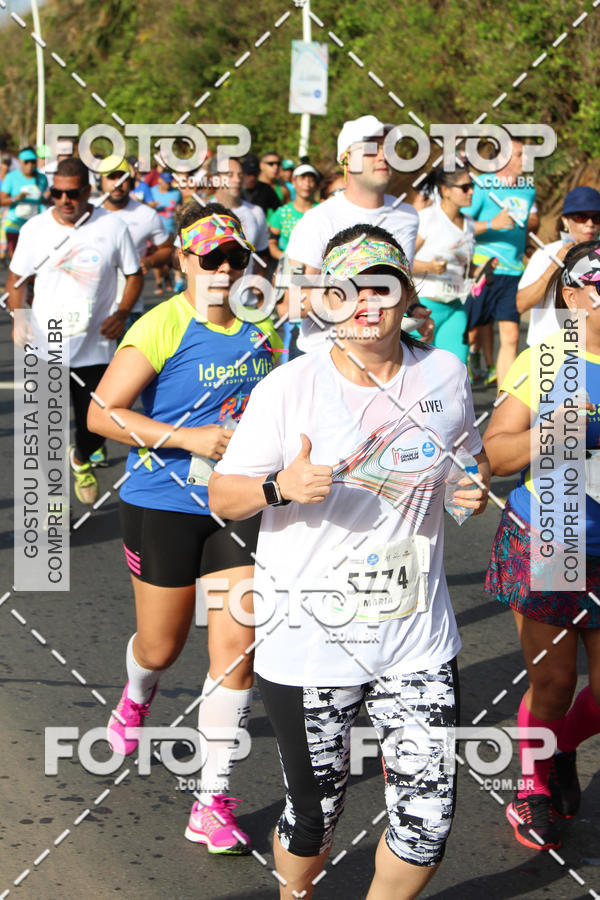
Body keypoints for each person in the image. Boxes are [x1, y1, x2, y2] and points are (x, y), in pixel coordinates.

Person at [209, 224, 490, 899]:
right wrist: (281, 487)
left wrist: (466, 494)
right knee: (313, 819)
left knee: (426, 825)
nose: (367, 303)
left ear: (408, 294)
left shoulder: (446, 374)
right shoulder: (289, 388)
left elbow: (462, 471)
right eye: (347, 289)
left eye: (381, 287)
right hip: (309, 646)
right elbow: (224, 494)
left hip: (415, 640)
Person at [87, 201, 283, 855]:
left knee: (238, 651)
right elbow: (101, 414)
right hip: (162, 503)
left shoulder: (265, 327)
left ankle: (212, 799)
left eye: (237, 257)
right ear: (185, 261)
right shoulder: (161, 326)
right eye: (212, 258)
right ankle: (137, 693)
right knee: (161, 646)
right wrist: (187, 436)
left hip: (235, 506)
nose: (226, 269)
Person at [483, 240, 600, 851]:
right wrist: (560, 430)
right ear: (573, 297)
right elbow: (494, 455)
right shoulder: (552, 360)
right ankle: (530, 783)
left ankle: (559, 748)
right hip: (550, 537)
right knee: (553, 682)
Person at [6, 156, 142, 505]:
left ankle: (81, 458)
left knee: (96, 427)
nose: (66, 201)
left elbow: (134, 274)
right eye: (57, 194)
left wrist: (123, 312)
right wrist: (19, 317)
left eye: (74, 194)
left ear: (88, 191)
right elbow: (17, 279)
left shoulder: (112, 226)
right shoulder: (35, 228)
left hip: (94, 346)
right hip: (44, 343)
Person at [285, 115, 430, 352]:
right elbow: (288, 303)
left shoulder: (408, 216)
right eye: (372, 148)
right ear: (347, 160)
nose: (384, 155)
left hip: (387, 358)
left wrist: (414, 309)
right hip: (325, 357)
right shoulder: (317, 219)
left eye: (389, 148)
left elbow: (399, 285)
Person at [461, 139, 538, 388]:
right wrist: (492, 224)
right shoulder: (481, 185)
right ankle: (458, 393)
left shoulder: (528, 190)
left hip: (514, 272)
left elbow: (522, 226)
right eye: (518, 155)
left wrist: (524, 243)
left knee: (512, 335)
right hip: (484, 270)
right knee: (469, 332)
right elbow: (459, 225)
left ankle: (503, 400)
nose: (524, 159)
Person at [517, 186, 600, 346]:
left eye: (596, 218)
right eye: (581, 217)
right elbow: (521, 304)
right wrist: (555, 266)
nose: (590, 224)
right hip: (546, 350)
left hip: (589, 351)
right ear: (565, 221)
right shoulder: (545, 253)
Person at [412, 165, 476, 363]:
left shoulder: (470, 222)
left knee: (456, 369)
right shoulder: (427, 217)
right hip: (424, 306)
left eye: (472, 186)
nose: (471, 191)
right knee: (416, 372)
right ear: (445, 190)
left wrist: (483, 271)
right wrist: (428, 268)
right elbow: (398, 260)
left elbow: (465, 265)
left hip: (455, 305)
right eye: (464, 187)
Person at [208, 156, 269, 273]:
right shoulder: (201, 212)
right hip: (208, 289)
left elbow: (262, 253)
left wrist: (258, 283)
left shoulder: (256, 212)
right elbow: (181, 257)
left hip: (244, 290)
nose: (237, 180)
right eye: (230, 175)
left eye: (240, 175)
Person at [0, 147, 49, 259]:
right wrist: (17, 198)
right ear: (20, 162)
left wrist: (46, 199)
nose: (30, 165)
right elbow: (2, 201)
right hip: (14, 222)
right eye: (26, 162)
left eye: (33, 161)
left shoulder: (42, 178)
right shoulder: (11, 177)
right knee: (15, 257)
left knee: (34, 256)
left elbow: (45, 198)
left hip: (34, 222)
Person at [268, 164, 319, 260]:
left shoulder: (322, 211)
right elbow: (272, 244)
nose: (307, 184)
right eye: (302, 179)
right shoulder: (281, 213)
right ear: (293, 182)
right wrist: (286, 260)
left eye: (311, 180)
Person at [149, 171, 182, 293]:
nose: (167, 185)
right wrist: (151, 205)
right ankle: (158, 283)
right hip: (155, 231)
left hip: (171, 230)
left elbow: (179, 209)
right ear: (159, 180)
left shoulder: (176, 193)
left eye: (169, 182)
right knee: (156, 259)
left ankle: (168, 278)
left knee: (170, 258)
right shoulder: (152, 192)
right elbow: (145, 207)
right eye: (165, 182)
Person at [241, 153, 282, 218]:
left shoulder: (265, 189)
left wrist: (273, 224)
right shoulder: (235, 189)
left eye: (255, 174)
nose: (252, 178)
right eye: (248, 174)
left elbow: (280, 211)